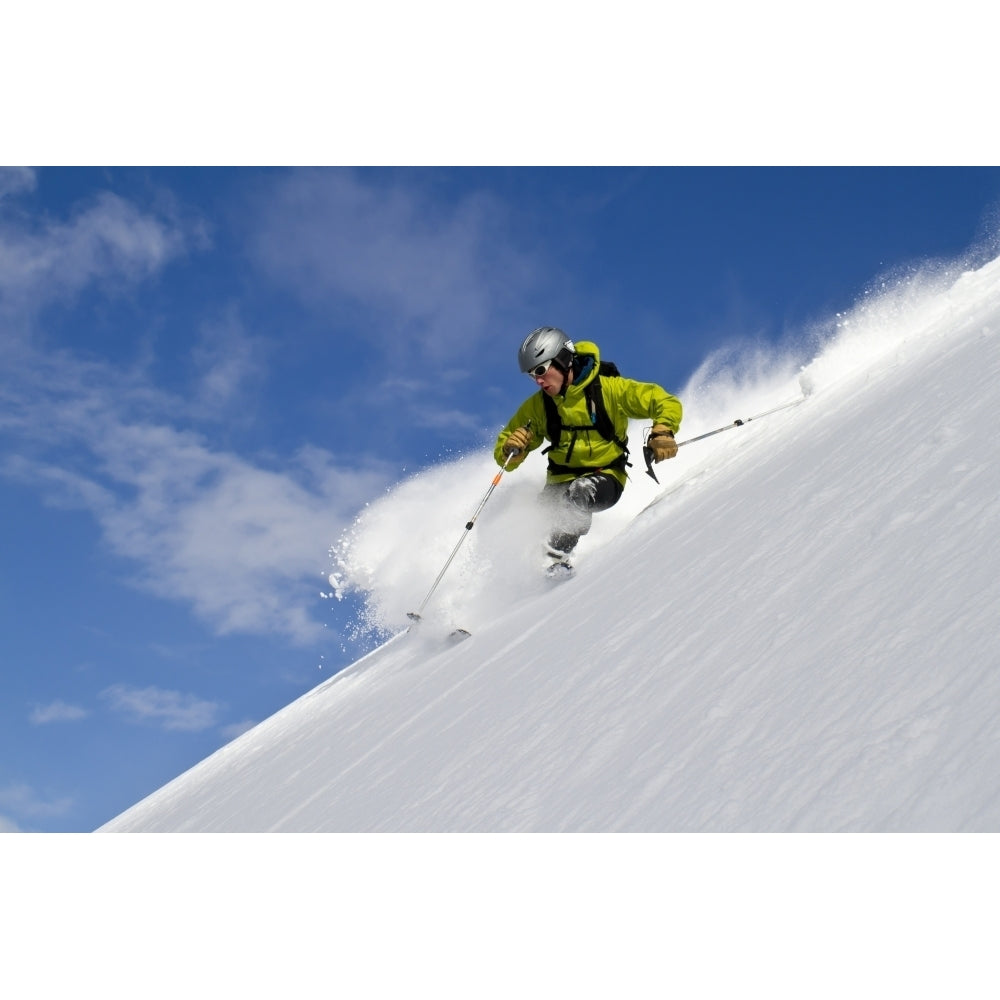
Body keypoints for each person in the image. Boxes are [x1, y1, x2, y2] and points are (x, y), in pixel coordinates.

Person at [494, 326, 683, 575]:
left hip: (605, 476)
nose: (538, 380)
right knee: (530, 521)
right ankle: (510, 582)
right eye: (532, 375)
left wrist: (663, 429)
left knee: (579, 494)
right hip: (559, 481)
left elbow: (663, 401)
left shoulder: (610, 390)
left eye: (541, 370)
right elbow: (504, 453)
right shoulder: (538, 407)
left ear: (562, 360)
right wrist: (513, 448)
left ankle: (554, 560)